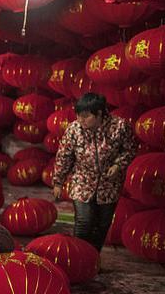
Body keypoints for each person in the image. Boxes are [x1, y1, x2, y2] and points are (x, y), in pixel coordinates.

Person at [53, 92, 138, 253]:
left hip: (109, 184)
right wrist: (58, 182)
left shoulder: (119, 127)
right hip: (82, 181)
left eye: (85, 116)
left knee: (101, 225)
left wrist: (118, 165)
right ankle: (78, 258)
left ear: (99, 113)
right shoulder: (74, 129)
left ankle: (92, 259)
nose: (80, 120)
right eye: (78, 115)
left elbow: (130, 150)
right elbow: (64, 156)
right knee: (84, 223)